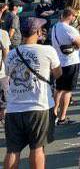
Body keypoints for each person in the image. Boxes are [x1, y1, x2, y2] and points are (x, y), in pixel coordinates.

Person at [3, 18, 61, 169]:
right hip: (39, 106)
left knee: (12, 150)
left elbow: (8, 74)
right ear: (37, 32)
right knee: (37, 148)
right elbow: (58, 73)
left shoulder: (11, 54)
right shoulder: (47, 50)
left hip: (14, 107)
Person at [51, 9, 80, 125]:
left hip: (59, 61)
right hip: (71, 61)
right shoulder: (70, 29)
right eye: (74, 16)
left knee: (58, 88)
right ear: (70, 16)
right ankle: (62, 117)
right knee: (67, 90)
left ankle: (54, 112)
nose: (74, 19)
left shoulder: (55, 27)